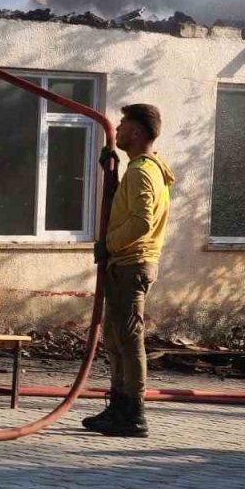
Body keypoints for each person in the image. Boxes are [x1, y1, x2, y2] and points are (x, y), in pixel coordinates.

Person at [83, 104, 175, 438]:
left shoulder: (142, 172)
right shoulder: (145, 169)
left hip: (130, 263)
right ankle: (119, 406)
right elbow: (132, 207)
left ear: (136, 132)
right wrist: (114, 170)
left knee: (129, 338)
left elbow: (141, 221)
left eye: (122, 124)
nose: (117, 129)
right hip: (127, 263)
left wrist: (109, 245)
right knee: (116, 337)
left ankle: (133, 412)